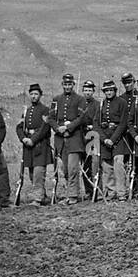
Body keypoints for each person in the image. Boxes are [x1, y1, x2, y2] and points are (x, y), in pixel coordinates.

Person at [51, 73, 91, 203]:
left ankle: (73, 196)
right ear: (62, 84)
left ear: (73, 85)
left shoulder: (80, 99)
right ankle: (70, 193)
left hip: (74, 138)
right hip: (61, 139)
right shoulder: (56, 99)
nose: (67, 86)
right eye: (65, 84)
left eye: (70, 84)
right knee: (66, 169)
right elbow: (50, 118)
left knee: (73, 168)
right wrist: (58, 128)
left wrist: (69, 127)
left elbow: (82, 118)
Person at [14, 82, 52, 205]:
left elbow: (44, 128)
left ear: (40, 95)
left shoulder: (45, 110)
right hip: (28, 146)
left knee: (38, 173)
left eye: (36, 94)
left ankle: (37, 199)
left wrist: (33, 140)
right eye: (31, 94)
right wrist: (23, 139)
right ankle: (43, 196)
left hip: (40, 145)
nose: (33, 96)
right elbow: (19, 127)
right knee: (31, 174)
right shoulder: (26, 111)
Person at [94, 79, 130, 200]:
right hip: (105, 140)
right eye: (106, 91)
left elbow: (123, 123)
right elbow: (96, 124)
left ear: (115, 90)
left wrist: (113, 139)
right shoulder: (101, 104)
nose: (109, 93)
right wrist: (104, 139)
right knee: (106, 167)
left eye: (111, 90)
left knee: (118, 165)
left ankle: (121, 193)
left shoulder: (122, 103)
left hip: (119, 139)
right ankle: (111, 192)